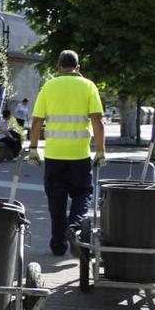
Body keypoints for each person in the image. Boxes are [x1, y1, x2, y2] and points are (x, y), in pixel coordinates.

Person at [24, 50, 106, 256]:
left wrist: (33, 148)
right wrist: (101, 150)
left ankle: (58, 245)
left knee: (56, 200)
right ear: (78, 67)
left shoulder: (49, 86)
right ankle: (75, 226)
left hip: (54, 156)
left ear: (59, 67)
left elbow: (36, 121)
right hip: (80, 155)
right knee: (82, 194)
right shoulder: (88, 86)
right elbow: (97, 120)